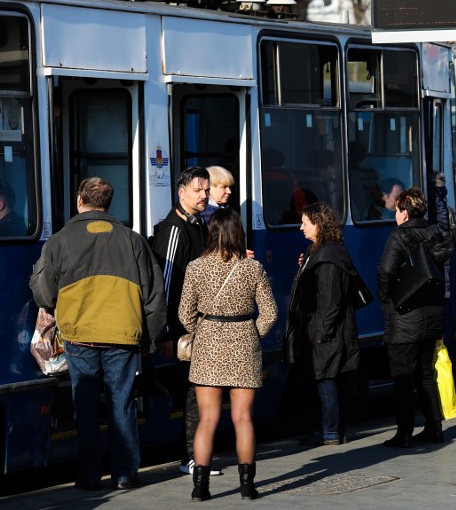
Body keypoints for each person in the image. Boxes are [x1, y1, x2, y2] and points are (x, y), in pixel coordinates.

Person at [29, 177, 166, 491]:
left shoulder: (60, 241)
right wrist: (150, 338)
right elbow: (154, 297)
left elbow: (44, 294)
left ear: (80, 200)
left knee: (86, 405)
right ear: (108, 203)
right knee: (123, 403)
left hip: (80, 337)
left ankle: (90, 475)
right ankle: (125, 475)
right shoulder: (133, 241)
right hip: (124, 336)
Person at [178, 209, 278, 501]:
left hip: (208, 345)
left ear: (211, 232)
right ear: (238, 233)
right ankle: (247, 486)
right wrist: (251, 335)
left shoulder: (195, 268)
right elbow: (270, 313)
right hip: (244, 344)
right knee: (243, 419)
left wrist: (204, 330)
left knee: (207, 419)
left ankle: (200, 488)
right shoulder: (252, 268)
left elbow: (185, 313)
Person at [150, 166, 219, 476]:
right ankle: (191, 456)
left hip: (196, 326)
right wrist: (164, 332)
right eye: (197, 190)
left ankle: (194, 455)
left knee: (198, 391)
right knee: (194, 392)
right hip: (183, 330)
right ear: (181, 193)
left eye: (206, 190)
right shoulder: (175, 229)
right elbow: (165, 284)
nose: (204, 195)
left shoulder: (198, 224)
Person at [377, 187, 453, 448]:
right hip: (432, 312)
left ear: (405, 212)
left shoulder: (400, 236)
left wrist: (387, 297)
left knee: (403, 377)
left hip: (405, 315)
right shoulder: (435, 232)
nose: (396, 215)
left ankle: (404, 432)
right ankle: (435, 427)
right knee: (426, 373)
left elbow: (385, 271)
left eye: (398, 211)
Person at [288, 202, 361, 447]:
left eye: (305, 223)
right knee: (327, 377)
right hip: (325, 326)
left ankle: (331, 431)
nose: (301, 228)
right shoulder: (320, 251)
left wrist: (322, 332)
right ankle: (332, 428)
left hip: (326, 328)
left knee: (326, 377)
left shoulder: (328, 255)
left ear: (318, 225)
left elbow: (330, 298)